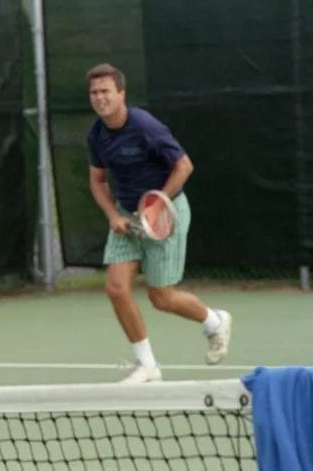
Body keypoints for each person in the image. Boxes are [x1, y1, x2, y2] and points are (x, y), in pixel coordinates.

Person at [84, 63, 232, 384]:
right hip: (127, 213)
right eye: (94, 93)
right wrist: (113, 215)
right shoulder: (96, 135)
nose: (100, 98)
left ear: (121, 93)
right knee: (115, 288)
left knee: (161, 298)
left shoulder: (145, 126)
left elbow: (184, 166)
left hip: (167, 211)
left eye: (106, 91)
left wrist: (158, 205)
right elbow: (97, 181)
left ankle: (214, 321)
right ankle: (148, 365)